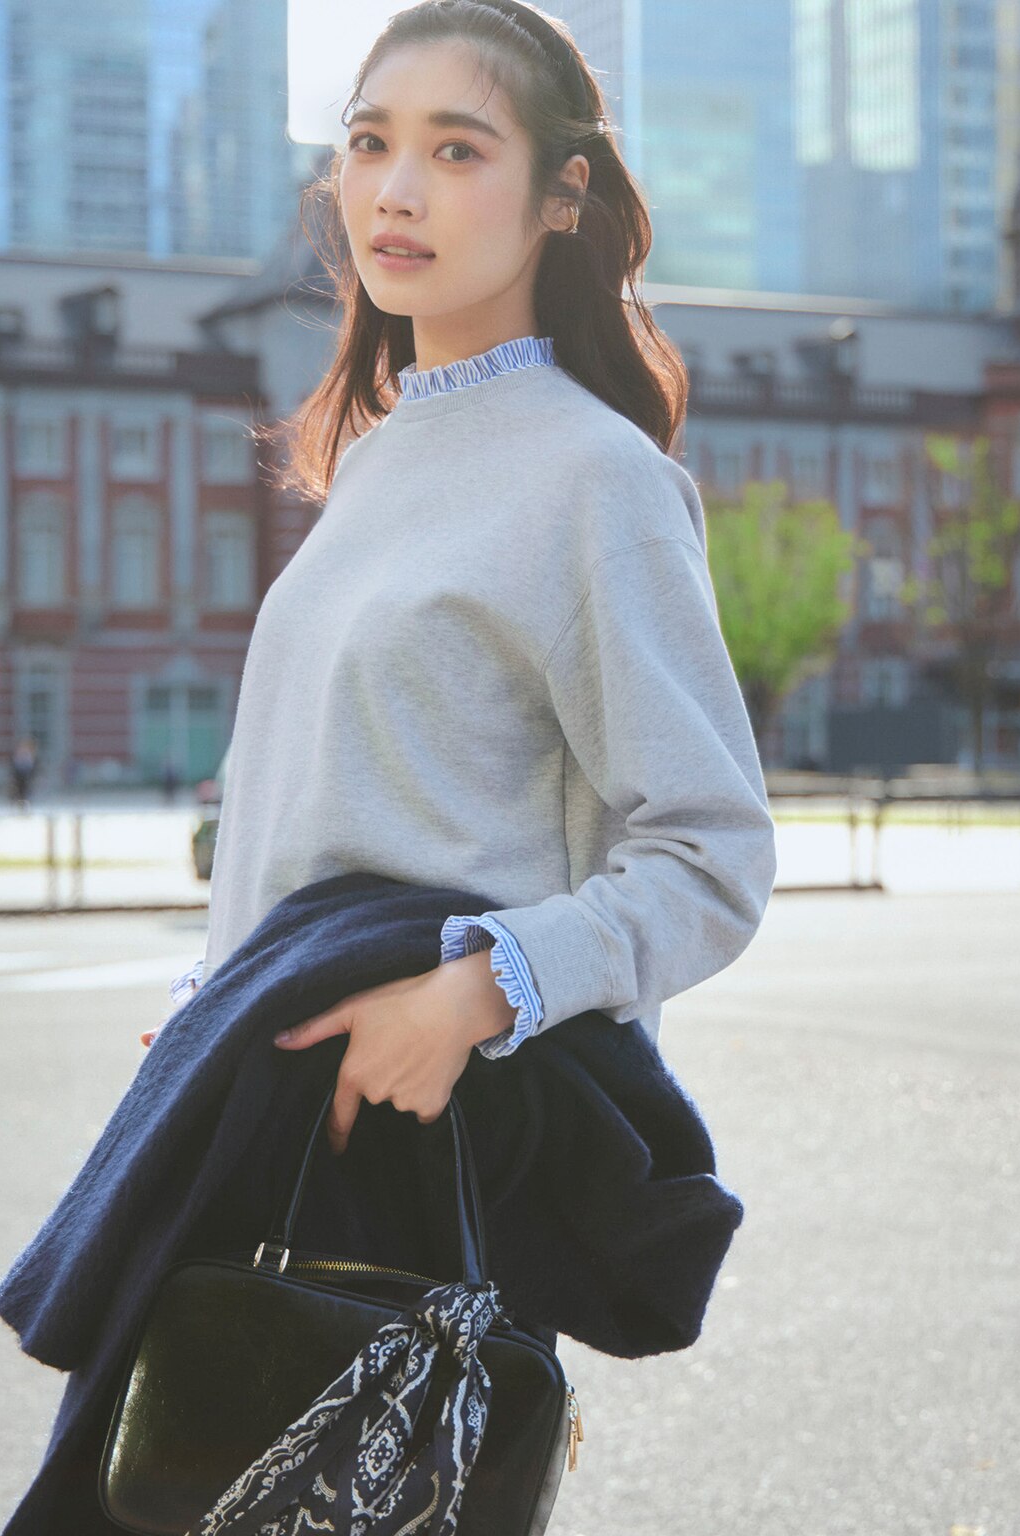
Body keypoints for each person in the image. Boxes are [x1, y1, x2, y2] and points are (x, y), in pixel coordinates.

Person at [145, 0, 775, 1334]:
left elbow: (712, 854)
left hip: (436, 1160)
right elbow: (310, 815)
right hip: (275, 1131)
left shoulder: (596, 479)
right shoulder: (372, 468)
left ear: (563, 196)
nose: (396, 190)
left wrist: (475, 996)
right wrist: (215, 1010)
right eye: (370, 143)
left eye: (456, 150)